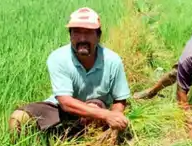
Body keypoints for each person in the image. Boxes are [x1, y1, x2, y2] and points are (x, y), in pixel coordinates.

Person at [9, 7, 131, 138]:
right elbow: (65, 102)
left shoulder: (112, 60)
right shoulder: (59, 58)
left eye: (88, 33)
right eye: (76, 32)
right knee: (18, 119)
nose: (82, 38)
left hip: (98, 114)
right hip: (65, 111)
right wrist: (106, 115)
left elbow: (120, 99)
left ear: (98, 36)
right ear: (70, 35)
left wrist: (114, 118)